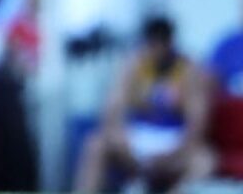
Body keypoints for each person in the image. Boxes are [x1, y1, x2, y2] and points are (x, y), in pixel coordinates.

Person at [75, 17, 215, 193]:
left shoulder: (188, 69)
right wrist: (120, 135)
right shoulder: (134, 65)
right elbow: (113, 107)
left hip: (172, 141)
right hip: (137, 139)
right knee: (95, 145)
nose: (155, 50)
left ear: (169, 43)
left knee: (204, 163)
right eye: (151, 44)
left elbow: (197, 120)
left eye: (160, 45)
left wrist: (179, 151)